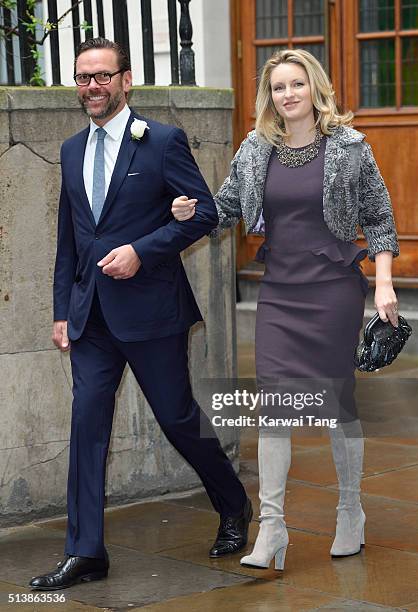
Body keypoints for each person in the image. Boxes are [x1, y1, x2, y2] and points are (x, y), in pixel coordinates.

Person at [29, 37, 252, 591]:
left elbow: (203, 213)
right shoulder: (71, 151)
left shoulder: (161, 141)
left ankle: (233, 505)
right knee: (86, 427)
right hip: (91, 317)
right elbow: (69, 238)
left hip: (152, 313)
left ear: (126, 81)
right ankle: (86, 553)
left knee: (177, 419)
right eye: (83, 77)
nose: (92, 87)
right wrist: (62, 308)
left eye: (103, 76)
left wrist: (142, 251)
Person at [171, 49, 399, 571]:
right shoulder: (256, 149)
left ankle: (350, 510)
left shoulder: (350, 148)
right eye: (278, 87)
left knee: (337, 406)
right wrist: (191, 209)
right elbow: (224, 209)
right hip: (279, 294)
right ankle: (272, 528)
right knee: (274, 406)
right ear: (268, 96)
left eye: (297, 84)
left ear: (315, 89)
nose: (288, 94)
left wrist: (383, 284)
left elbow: (381, 220)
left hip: (333, 292)